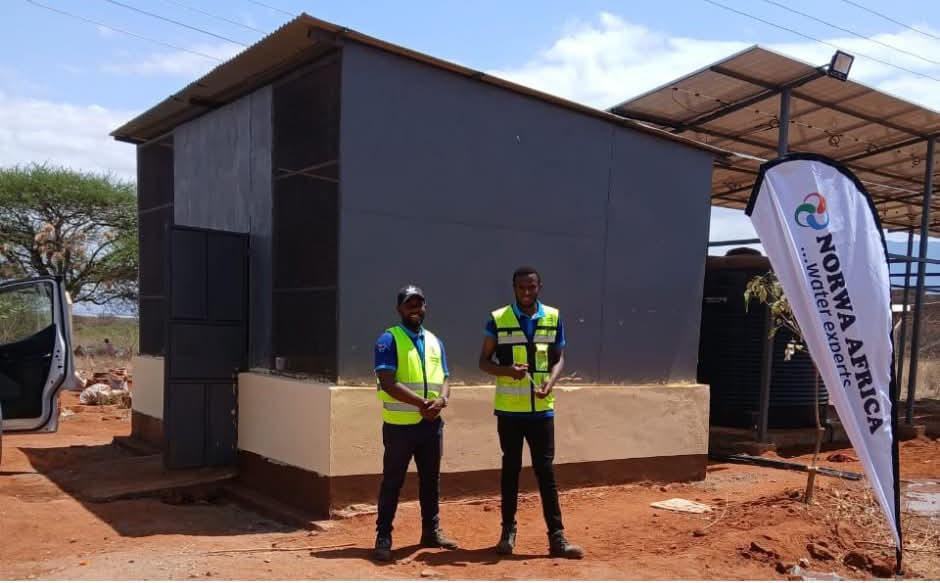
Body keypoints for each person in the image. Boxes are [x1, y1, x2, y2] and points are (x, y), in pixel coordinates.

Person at [478, 266, 584, 559]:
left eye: (531, 287)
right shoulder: (498, 318)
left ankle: (557, 538)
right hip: (510, 412)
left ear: (539, 287)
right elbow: (483, 362)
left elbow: (559, 358)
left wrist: (551, 381)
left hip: (542, 412)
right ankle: (507, 533)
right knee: (510, 471)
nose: (526, 292)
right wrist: (507, 371)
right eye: (521, 287)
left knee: (546, 472)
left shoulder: (553, 317)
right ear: (514, 288)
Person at [372, 285, 458, 562]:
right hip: (400, 427)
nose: (415, 308)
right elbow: (388, 382)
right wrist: (422, 403)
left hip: (431, 426)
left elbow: (445, 378)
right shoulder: (388, 339)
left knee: (430, 480)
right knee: (392, 482)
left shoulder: (435, 341)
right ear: (399, 308)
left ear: (425, 307)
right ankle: (383, 536)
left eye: (419, 303)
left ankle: (431, 531)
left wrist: (441, 400)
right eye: (409, 304)